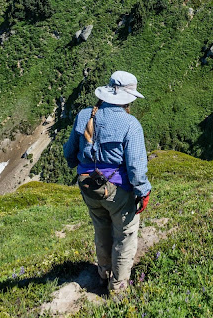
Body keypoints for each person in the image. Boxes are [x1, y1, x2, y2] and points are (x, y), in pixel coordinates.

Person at [64, 70, 151, 292]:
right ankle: (118, 286)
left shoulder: (84, 115)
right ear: (128, 98)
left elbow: (69, 152)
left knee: (101, 229)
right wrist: (143, 191)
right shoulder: (130, 124)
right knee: (125, 234)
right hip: (116, 189)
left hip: (87, 186)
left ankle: (103, 273)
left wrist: (77, 164)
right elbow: (136, 168)